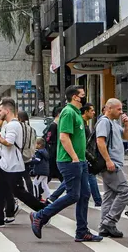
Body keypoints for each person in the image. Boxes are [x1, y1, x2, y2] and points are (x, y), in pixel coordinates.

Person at [30, 85, 103, 242]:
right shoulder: (68, 112)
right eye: (83, 95)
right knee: (73, 195)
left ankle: (82, 231)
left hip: (79, 161)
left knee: (84, 195)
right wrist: (75, 157)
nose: (85, 97)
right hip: (69, 161)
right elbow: (63, 137)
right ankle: (39, 216)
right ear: (76, 97)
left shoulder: (77, 113)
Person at [0, 97, 44, 226]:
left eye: (0, 110)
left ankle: (43, 211)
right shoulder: (10, 124)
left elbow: (8, 143)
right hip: (5, 163)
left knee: (19, 192)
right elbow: (3, 144)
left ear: (7, 111)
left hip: (12, 165)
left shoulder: (12, 125)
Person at [95, 98, 128, 238]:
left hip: (114, 163)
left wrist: (126, 124)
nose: (121, 112)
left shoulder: (114, 123)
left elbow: (126, 137)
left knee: (110, 196)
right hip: (111, 164)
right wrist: (108, 160)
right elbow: (100, 141)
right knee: (125, 191)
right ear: (108, 109)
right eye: (118, 109)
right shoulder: (104, 122)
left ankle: (104, 226)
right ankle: (109, 221)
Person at [81, 104, 104, 207]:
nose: (94, 112)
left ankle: (53, 197)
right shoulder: (81, 124)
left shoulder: (85, 124)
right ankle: (98, 200)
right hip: (83, 156)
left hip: (84, 156)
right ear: (86, 112)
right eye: (92, 110)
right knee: (90, 176)